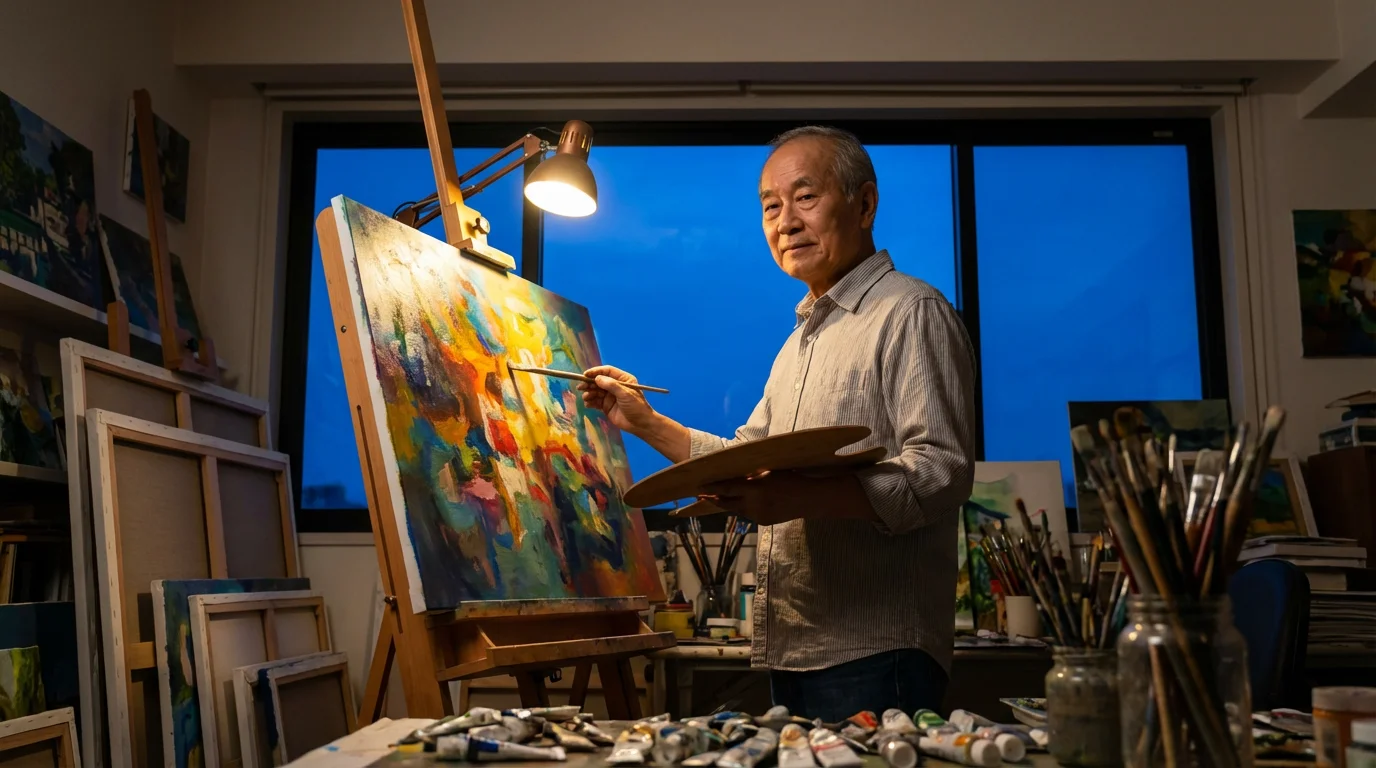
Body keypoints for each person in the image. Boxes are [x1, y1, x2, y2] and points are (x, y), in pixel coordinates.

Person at [578, 125, 976, 721]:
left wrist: (796, 496)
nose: (785, 221)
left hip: (877, 651)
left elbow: (941, 471)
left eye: (805, 197)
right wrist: (643, 420)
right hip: (796, 650)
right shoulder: (798, 344)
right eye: (770, 205)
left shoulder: (910, 311)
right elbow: (744, 454)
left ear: (864, 204)